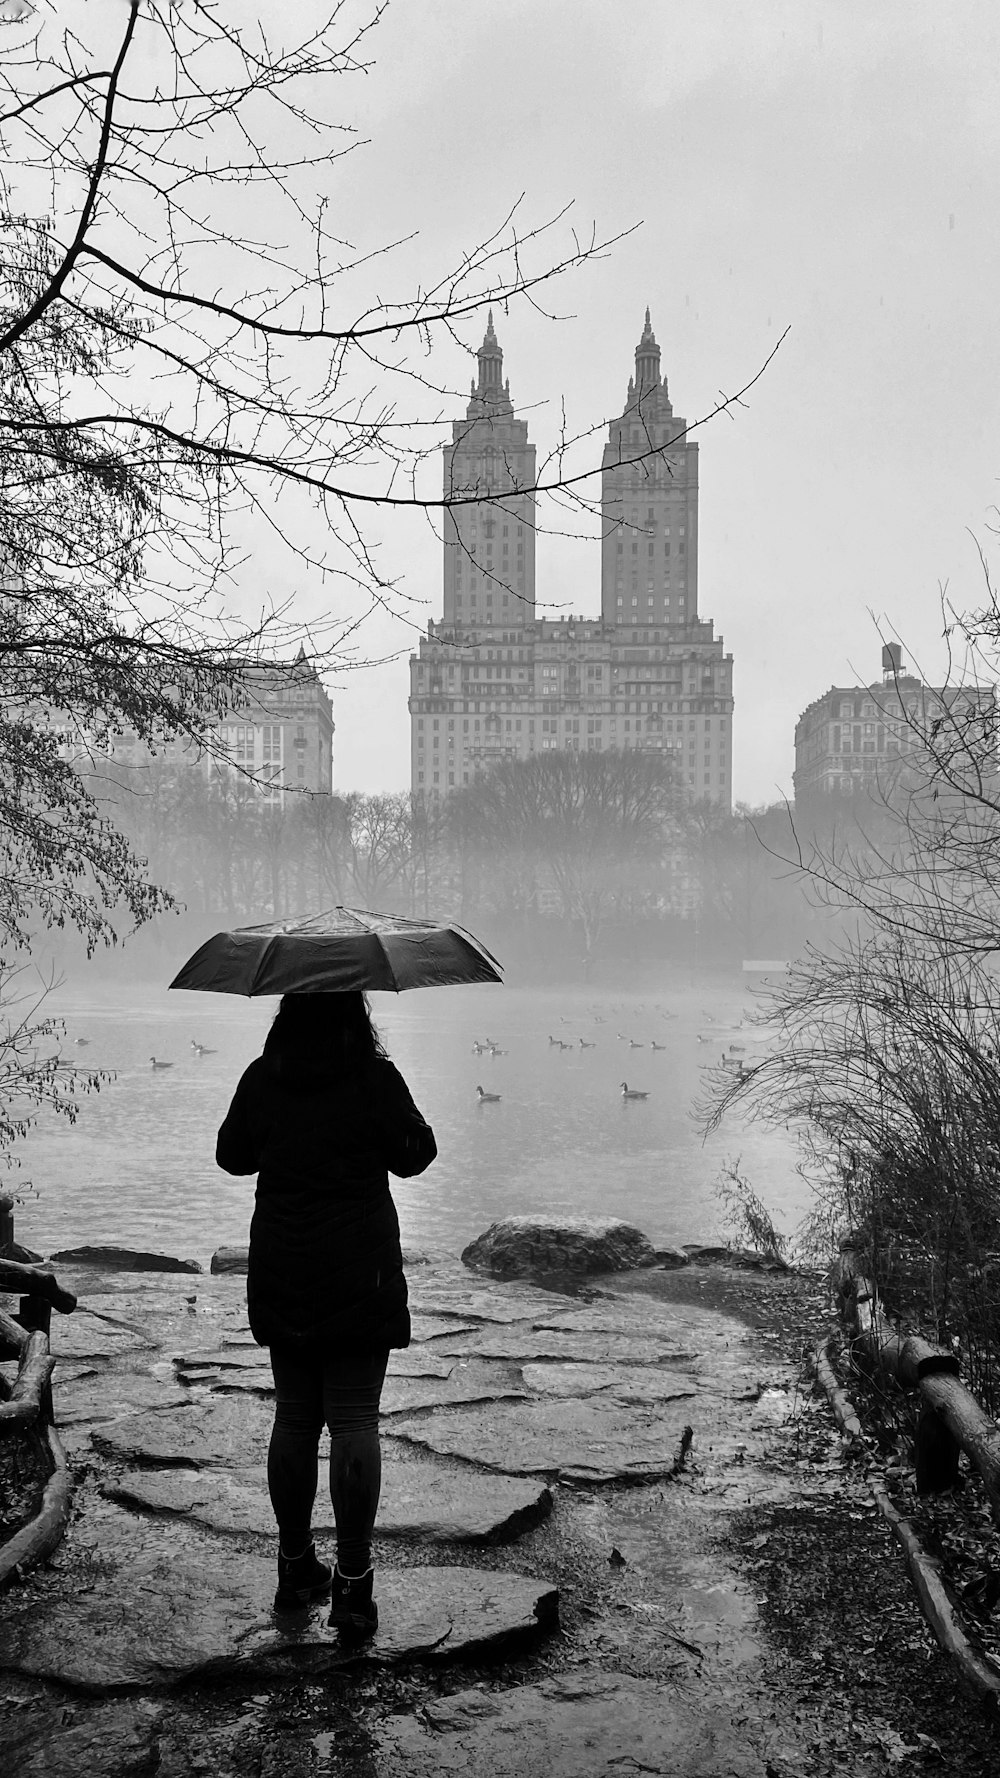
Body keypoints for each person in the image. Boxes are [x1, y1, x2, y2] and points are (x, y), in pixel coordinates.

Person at [215, 990, 437, 1638]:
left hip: (285, 1265)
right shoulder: (374, 1078)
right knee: (353, 1419)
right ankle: (354, 1588)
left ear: (286, 1010)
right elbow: (415, 1154)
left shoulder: (266, 1076)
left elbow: (232, 1155)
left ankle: (293, 1568)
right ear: (355, 1011)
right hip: (359, 1269)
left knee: (294, 1416)